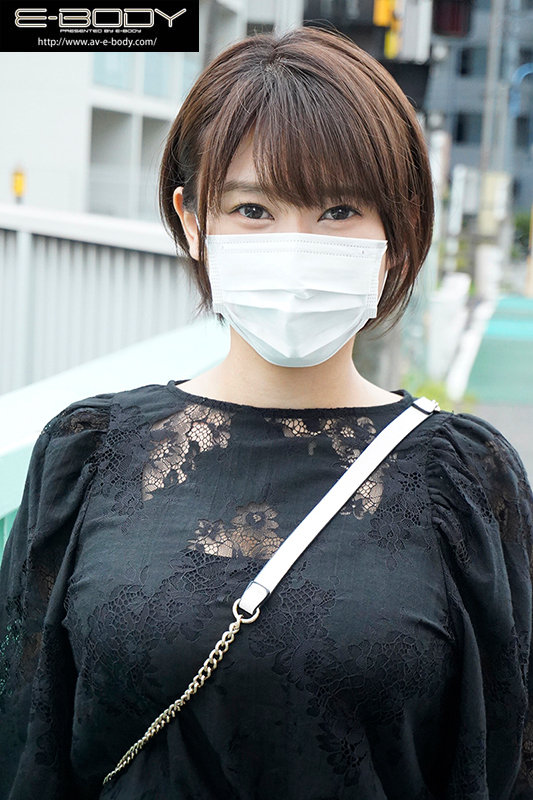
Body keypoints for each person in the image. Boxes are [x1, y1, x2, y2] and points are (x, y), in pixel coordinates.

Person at [1, 24, 533, 800]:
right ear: (192, 220)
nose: (294, 246)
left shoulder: (465, 477)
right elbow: (28, 738)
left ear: (396, 232)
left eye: (338, 210)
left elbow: (506, 754)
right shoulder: (88, 453)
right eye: (252, 208)